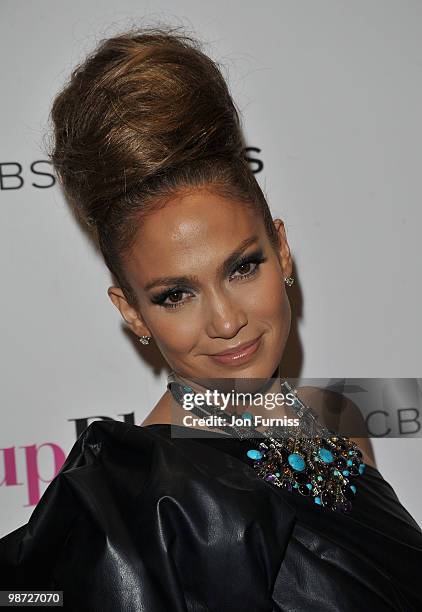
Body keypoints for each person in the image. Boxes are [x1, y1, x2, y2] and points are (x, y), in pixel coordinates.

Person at [1, 26, 421, 611]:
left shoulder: (335, 418)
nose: (226, 320)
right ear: (132, 311)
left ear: (282, 250)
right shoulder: (136, 510)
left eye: (243, 267)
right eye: (175, 294)